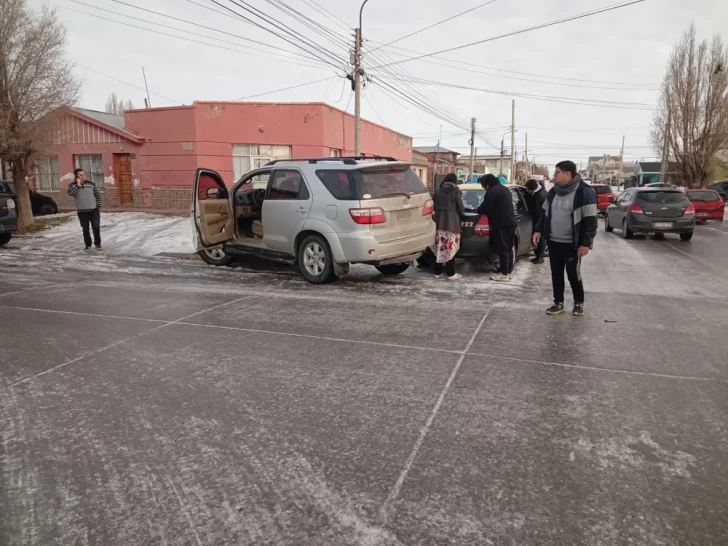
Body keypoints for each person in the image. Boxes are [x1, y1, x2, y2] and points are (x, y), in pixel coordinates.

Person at [533, 160, 597, 317]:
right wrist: (538, 230)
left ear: (567, 174)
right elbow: (544, 213)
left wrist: (585, 242)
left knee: (573, 274)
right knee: (556, 273)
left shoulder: (584, 192)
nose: (554, 176)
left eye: (557, 172)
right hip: (554, 241)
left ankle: (578, 303)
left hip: (572, 243)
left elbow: (590, 220)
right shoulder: (553, 192)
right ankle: (558, 302)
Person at [478, 173, 517, 282]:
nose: (483, 188)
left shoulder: (492, 191)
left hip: (501, 224)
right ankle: (508, 271)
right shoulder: (505, 189)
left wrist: (477, 210)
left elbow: (486, 208)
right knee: (508, 248)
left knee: (502, 248)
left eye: (483, 185)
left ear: (487, 183)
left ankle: (503, 274)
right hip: (511, 222)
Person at [432, 173, 465, 280]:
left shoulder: (437, 190)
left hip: (438, 223)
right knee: (450, 248)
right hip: (452, 223)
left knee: (440, 247)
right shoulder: (455, 190)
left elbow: (433, 205)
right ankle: (451, 273)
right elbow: (461, 207)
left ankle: (437, 272)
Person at [67, 168, 103, 250]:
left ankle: (98, 244)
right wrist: (78, 185)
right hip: (82, 212)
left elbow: (98, 195)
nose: (83, 176)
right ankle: (88, 245)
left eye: (83, 174)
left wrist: (98, 206)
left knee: (96, 227)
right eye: (80, 175)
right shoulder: (72, 185)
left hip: (94, 211)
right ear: (76, 176)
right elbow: (71, 193)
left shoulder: (91, 184)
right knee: (85, 229)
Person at [524, 179, 547, 264]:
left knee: (540, 238)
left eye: (528, 189)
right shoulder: (540, 192)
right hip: (539, 219)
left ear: (532, 189)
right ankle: (538, 255)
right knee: (538, 238)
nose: (527, 191)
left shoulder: (539, 195)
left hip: (540, 219)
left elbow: (537, 210)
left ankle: (540, 257)